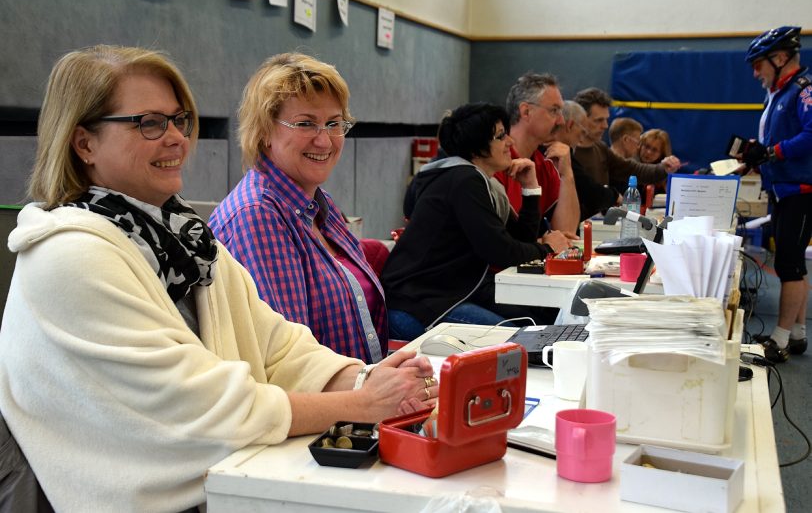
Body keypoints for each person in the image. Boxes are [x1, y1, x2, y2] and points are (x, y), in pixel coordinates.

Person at [0, 45, 436, 513]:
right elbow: (200, 406)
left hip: (221, 480)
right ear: (84, 143)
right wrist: (361, 404)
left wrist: (364, 378)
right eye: (149, 123)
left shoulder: (182, 237)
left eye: (179, 120)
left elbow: (279, 345)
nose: (176, 139)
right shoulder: (69, 255)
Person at [209, 53, 386, 364]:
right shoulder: (258, 215)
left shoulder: (318, 202)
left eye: (334, 123)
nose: (325, 140)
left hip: (359, 397)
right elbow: (290, 360)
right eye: (306, 124)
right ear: (264, 131)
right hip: (320, 409)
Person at [382, 103, 569, 340]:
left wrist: (530, 188)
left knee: (541, 323)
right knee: (526, 341)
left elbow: (520, 239)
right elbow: (501, 251)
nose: (510, 143)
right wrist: (550, 248)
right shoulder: (463, 181)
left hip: (447, 294)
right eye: (501, 136)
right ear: (478, 148)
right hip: (419, 304)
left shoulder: (478, 181)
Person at [741, 25, 811, 363]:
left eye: (759, 64)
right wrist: (759, 155)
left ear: (780, 58)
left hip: (801, 190)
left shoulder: (803, 90)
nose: (756, 73)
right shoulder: (779, 93)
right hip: (783, 189)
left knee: (789, 264)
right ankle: (797, 333)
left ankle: (780, 339)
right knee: (794, 263)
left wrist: (774, 152)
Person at [494, 72, 580, 234]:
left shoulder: (545, 163)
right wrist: (542, 244)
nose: (561, 121)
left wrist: (567, 174)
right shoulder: (495, 163)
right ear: (526, 112)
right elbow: (496, 243)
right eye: (554, 111)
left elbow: (566, 233)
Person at [573, 87, 681, 194]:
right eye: (599, 120)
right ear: (581, 118)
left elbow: (633, 170)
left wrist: (663, 168)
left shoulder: (600, 149)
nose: (605, 126)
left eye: (606, 119)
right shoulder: (567, 153)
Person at [552, 101, 622, 220]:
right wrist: (614, 196)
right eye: (582, 131)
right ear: (569, 125)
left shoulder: (598, 148)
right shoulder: (558, 154)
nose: (581, 138)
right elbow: (589, 192)